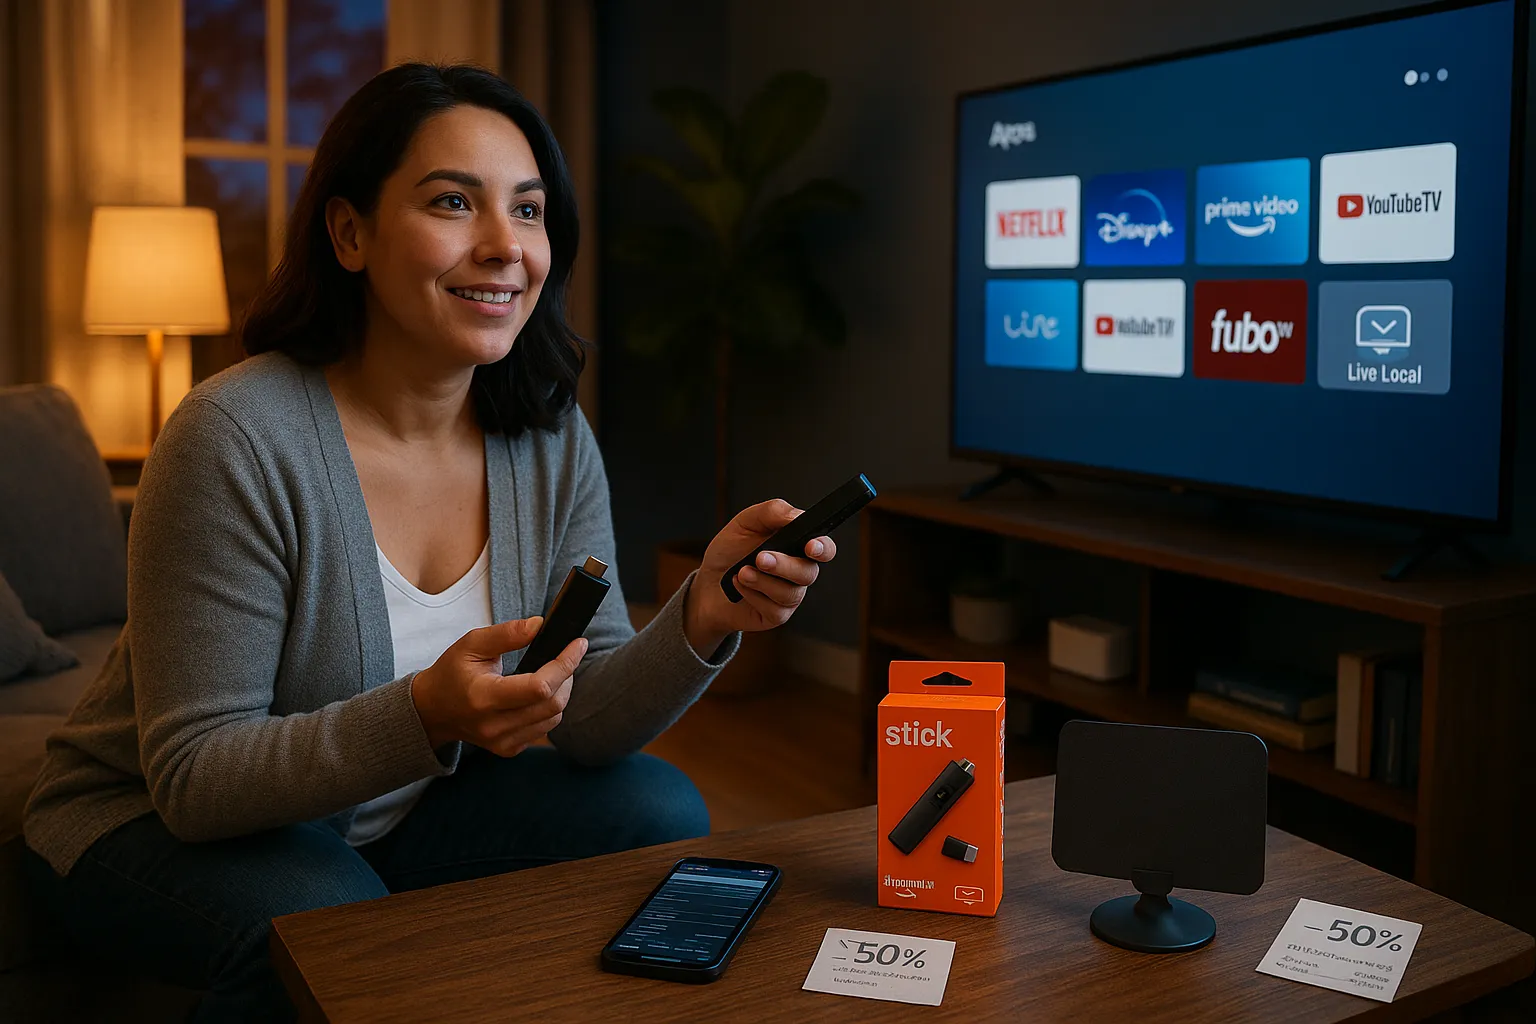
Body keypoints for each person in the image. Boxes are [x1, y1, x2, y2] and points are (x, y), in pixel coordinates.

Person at [21, 62, 838, 1021]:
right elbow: (196, 778)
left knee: (655, 809)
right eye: (454, 202)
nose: (504, 246)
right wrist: (426, 715)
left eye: (528, 211)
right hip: (143, 822)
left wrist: (704, 608)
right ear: (350, 232)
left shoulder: (547, 434)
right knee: (334, 917)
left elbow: (592, 717)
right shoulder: (234, 438)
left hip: (390, 811)